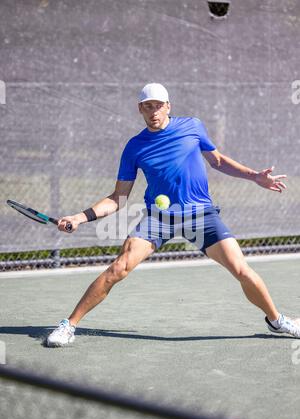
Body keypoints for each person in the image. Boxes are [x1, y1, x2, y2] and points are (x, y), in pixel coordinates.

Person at [47, 83, 300, 347]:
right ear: (140, 109)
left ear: (168, 106)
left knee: (241, 269)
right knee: (118, 268)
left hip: (200, 214)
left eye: (158, 105)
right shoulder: (134, 147)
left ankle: (277, 321)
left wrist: (254, 176)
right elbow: (118, 198)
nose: (153, 111)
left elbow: (218, 161)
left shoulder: (192, 126)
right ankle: (69, 325)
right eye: (148, 107)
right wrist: (79, 217)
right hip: (160, 218)